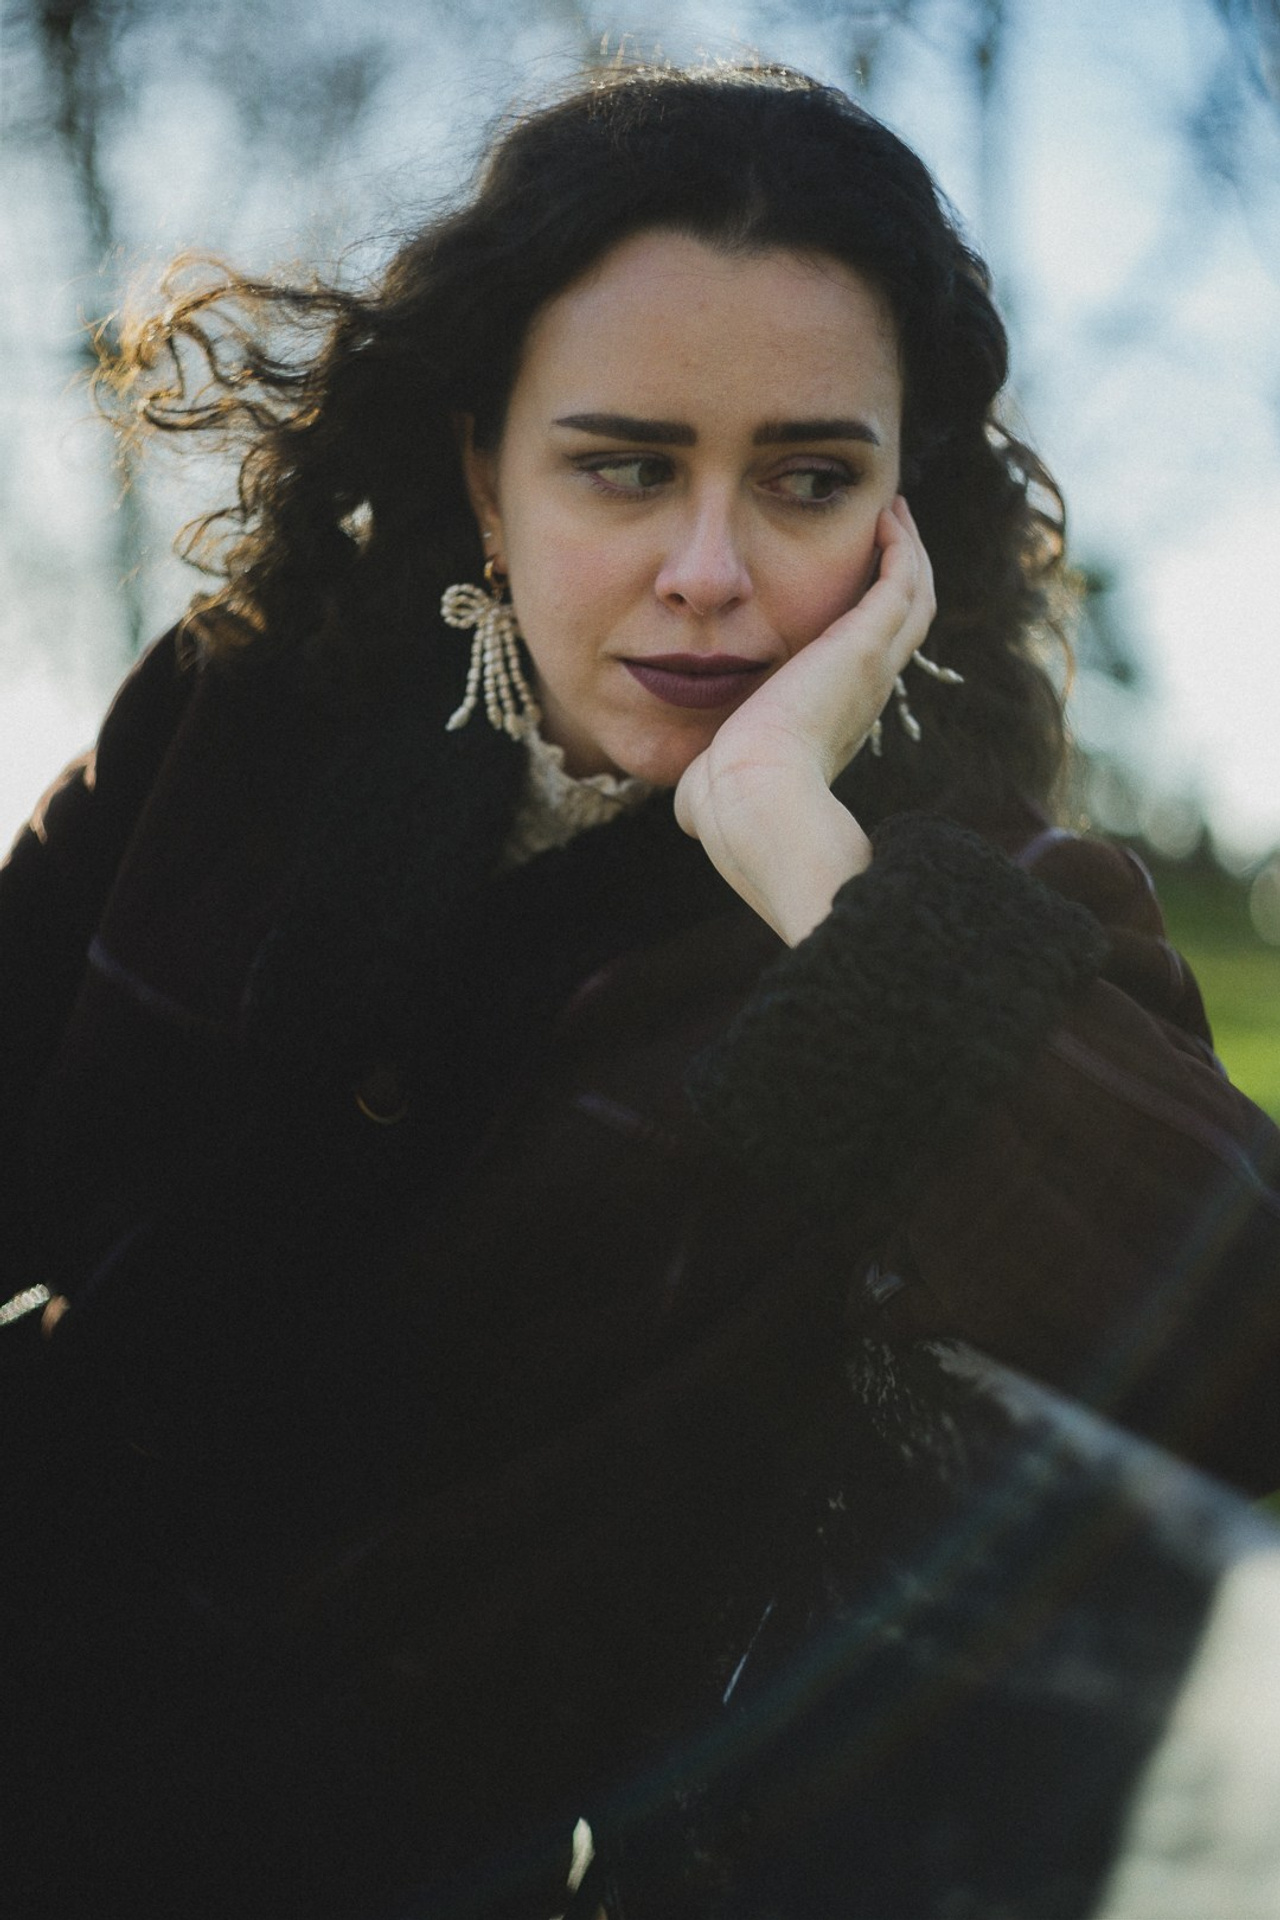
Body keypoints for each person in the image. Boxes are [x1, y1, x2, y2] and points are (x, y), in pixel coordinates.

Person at [1, 56, 1279, 1920]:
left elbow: (1244, 1352)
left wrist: (790, 843)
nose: (709, 572)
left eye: (809, 480)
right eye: (624, 465)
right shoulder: (241, 714)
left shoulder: (960, 906)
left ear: (904, 516)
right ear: (486, 478)